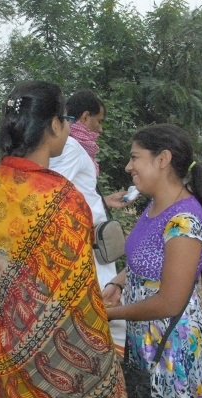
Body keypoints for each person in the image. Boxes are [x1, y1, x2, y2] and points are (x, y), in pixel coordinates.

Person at [0, 81, 127, 398]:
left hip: (10, 332)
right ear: (55, 126)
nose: (69, 128)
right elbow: (79, 291)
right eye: (65, 120)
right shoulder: (63, 197)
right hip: (56, 340)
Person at [103, 124, 202, 398]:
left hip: (171, 350)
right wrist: (117, 282)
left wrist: (110, 314)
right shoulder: (155, 205)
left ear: (163, 159)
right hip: (147, 341)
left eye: (134, 157)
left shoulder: (184, 222)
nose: (128, 167)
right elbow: (145, 261)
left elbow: (169, 302)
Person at [49, 89, 131, 356]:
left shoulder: (71, 147)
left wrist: (102, 201)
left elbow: (73, 193)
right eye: (99, 121)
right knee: (107, 308)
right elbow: (52, 193)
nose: (101, 129)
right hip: (86, 246)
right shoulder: (71, 147)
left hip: (90, 245)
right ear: (85, 117)